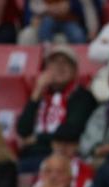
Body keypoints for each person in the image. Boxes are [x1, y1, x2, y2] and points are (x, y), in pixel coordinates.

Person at [16, 44, 98, 173]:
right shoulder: (41, 95)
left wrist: (36, 138)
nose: (60, 67)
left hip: (63, 156)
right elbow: (23, 130)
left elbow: (70, 131)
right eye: (54, 63)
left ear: (75, 71)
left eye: (66, 63)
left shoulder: (82, 96)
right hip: (31, 154)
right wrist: (36, 93)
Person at [18, 0, 100, 45]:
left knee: (77, 35)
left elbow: (89, 8)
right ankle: (46, 50)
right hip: (47, 19)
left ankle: (80, 61)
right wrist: (47, 9)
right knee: (44, 26)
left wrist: (92, 30)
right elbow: (32, 8)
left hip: (70, 21)